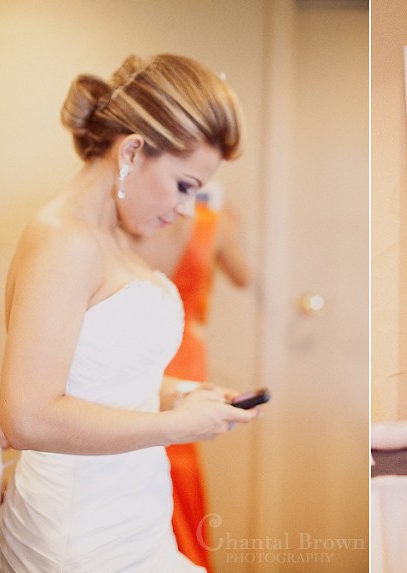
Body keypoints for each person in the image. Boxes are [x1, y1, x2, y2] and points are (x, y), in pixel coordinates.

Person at [0, 53, 260, 572]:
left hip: (130, 509)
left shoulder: (108, 238)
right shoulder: (62, 240)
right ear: (133, 151)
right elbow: (28, 417)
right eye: (185, 185)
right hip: (78, 528)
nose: (188, 208)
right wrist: (176, 426)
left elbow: (95, 381)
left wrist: (183, 393)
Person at [131, 184, 250, 571]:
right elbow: (242, 276)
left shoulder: (139, 223)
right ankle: (182, 553)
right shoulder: (214, 225)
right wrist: (235, 225)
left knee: (141, 453)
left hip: (143, 348)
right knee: (178, 462)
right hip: (185, 353)